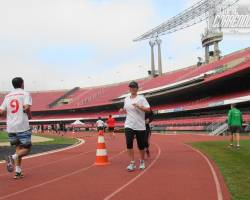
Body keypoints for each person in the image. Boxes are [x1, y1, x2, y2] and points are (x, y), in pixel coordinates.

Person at [0, 77, 32, 179]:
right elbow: (26, 107)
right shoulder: (25, 94)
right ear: (22, 84)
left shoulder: (8, 96)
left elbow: (1, 112)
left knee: (18, 148)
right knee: (27, 149)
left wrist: (8, 115)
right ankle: (11, 157)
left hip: (11, 126)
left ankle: (18, 172)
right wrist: (29, 114)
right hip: (22, 125)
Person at [119, 81, 150, 171]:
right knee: (129, 142)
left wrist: (139, 106)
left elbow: (148, 110)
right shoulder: (126, 99)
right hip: (129, 124)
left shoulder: (141, 98)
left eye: (133, 87)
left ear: (137, 88)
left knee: (141, 145)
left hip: (140, 125)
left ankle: (142, 161)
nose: (132, 89)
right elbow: (126, 109)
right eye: (130, 87)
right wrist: (122, 110)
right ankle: (132, 163)